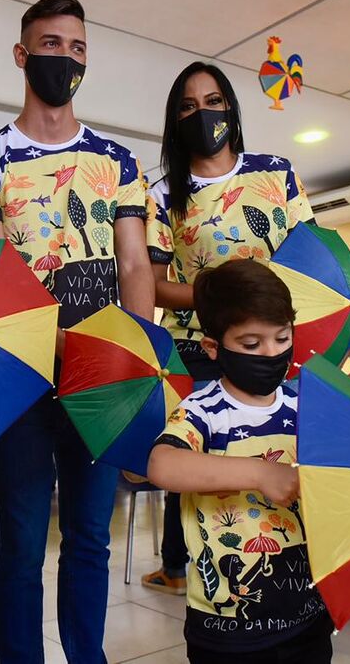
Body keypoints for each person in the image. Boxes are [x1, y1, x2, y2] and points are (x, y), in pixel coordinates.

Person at [0, 0, 154, 663]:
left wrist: (132, 356)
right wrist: (67, 342)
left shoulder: (119, 161)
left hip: (101, 378)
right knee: (17, 538)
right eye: (50, 45)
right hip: (20, 379)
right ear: (21, 55)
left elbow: (133, 264)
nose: (64, 59)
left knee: (90, 535)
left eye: (76, 49)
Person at [148, 259, 350, 663]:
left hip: (308, 614)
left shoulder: (310, 405)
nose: (271, 353)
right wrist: (259, 473)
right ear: (213, 347)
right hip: (227, 627)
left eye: (282, 338)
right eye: (251, 344)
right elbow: (163, 465)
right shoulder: (203, 411)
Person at [142, 61, 316, 595]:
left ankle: (298, 560)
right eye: (189, 106)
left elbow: (311, 257)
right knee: (198, 454)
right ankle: (191, 567)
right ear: (175, 120)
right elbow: (152, 285)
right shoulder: (161, 194)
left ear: (232, 109)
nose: (204, 113)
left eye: (214, 101)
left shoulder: (275, 172)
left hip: (278, 337)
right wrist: (222, 299)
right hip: (198, 345)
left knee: (289, 444)